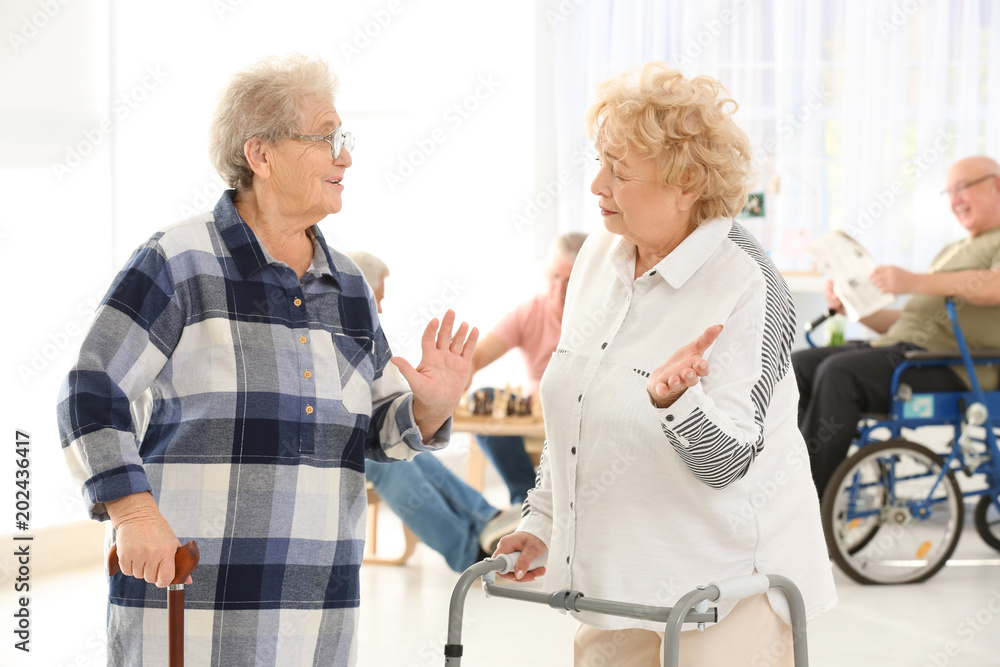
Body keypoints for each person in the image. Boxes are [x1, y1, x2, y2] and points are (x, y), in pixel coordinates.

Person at [56, 55, 477, 666]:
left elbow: (377, 429)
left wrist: (431, 408)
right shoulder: (179, 261)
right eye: (327, 140)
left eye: (345, 140)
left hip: (317, 617)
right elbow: (90, 391)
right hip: (192, 604)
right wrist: (132, 511)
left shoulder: (349, 283)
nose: (346, 157)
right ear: (261, 154)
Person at [495, 63, 836, 666]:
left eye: (619, 172)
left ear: (687, 183)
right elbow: (575, 413)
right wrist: (542, 520)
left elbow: (729, 463)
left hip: (726, 590)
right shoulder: (600, 258)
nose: (597, 186)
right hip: (614, 577)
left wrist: (677, 403)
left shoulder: (748, 282)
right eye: (599, 163)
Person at [794, 157, 1000, 497]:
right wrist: (851, 309)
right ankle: (787, 482)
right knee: (799, 365)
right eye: (949, 191)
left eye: (963, 187)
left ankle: (807, 502)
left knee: (838, 372)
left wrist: (912, 281)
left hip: (954, 366)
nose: (955, 200)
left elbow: (993, 287)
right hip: (907, 352)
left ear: (996, 185)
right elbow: (907, 325)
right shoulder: (954, 249)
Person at [345, 250, 521, 571]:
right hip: (338, 446)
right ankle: (470, 551)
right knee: (391, 460)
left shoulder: (363, 337)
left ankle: (487, 520)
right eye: (377, 299)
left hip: (361, 433)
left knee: (413, 448)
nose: (380, 309)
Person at [466, 231, 588, 504]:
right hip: (534, 410)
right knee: (482, 399)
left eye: (570, 280)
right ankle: (525, 501)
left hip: (584, 413)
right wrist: (461, 374)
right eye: (555, 277)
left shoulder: (604, 315)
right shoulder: (530, 311)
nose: (559, 288)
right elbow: (479, 355)